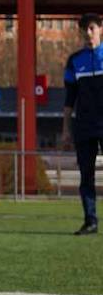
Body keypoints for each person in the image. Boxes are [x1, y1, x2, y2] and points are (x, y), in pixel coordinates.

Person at [63, 13, 103, 235]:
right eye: (84, 30)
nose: (88, 34)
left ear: (100, 29)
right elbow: (69, 99)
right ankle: (90, 221)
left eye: (92, 28)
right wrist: (65, 129)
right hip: (84, 126)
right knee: (86, 175)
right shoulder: (74, 61)